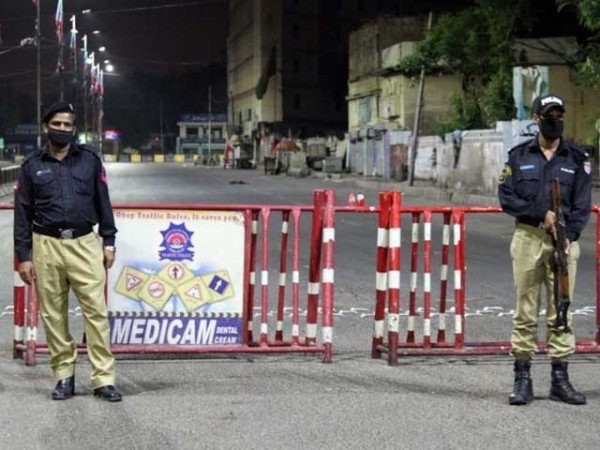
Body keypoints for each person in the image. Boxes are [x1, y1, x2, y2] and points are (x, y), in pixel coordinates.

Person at [13, 100, 122, 402]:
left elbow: (103, 202)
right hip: (45, 246)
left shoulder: (90, 160)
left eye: (67, 125)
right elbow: (22, 214)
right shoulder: (31, 166)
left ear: (74, 129)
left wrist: (109, 241)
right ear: (46, 127)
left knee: (96, 312)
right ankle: (64, 376)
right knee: (53, 315)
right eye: (56, 124)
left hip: (84, 244)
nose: (62, 129)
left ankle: (103, 379)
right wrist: (24, 256)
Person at [498, 93, 592, 406]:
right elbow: (507, 197)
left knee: (561, 310)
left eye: (559, 115)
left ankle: (560, 379)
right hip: (528, 237)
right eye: (549, 116)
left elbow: (582, 204)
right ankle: (522, 378)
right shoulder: (518, 156)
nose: (555, 121)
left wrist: (569, 235)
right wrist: (541, 213)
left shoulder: (576, 158)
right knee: (525, 310)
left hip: (563, 241)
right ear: (536, 119)